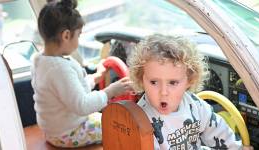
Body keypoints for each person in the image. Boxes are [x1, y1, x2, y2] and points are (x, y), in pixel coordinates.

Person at [31, 0, 132, 148]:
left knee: (105, 118)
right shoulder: (59, 69)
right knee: (121, 128)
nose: (78, 40)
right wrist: (111, 91)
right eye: (78, 35)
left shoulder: (41, 61)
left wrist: (94, 78)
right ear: (66, 35)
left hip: (55, 129)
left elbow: (70, 90)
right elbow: (82, 105)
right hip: (68, 133)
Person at [128, 34, 245, 149]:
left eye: (173, 83)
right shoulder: (141, 121)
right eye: (154, 82)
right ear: (141, 80)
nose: (163, 92)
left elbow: (218, 130)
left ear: (189, 80)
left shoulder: (195, 105)